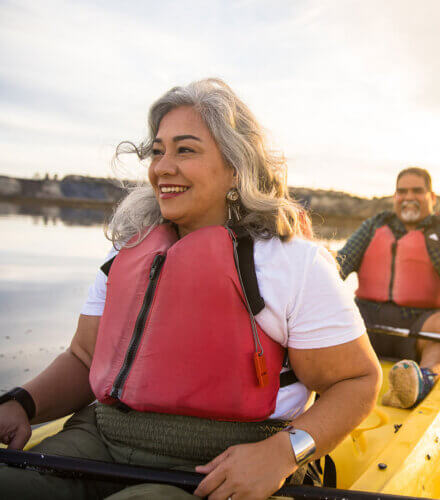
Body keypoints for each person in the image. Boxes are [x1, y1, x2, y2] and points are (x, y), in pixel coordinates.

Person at [0, 78, 381, 500]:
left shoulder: (292, 263)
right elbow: (83, 357)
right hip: (100, 440)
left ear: (236, 167)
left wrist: (282, 453)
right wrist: (22, 403)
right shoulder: (128, 255)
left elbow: (357, 380)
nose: (163, 167)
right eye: (158, 151)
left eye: (185, 150)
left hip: (221, 464)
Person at [337, 167, 440, 409]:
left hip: (420, 326)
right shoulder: (374, 225)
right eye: (401, 191)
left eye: (417, 191)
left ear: (432, 198)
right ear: (395, 197)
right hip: (366, 322)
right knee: (330, 311)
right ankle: (322, 375)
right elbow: (341, 263)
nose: (408, 197)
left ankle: (423, 378)